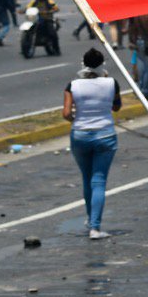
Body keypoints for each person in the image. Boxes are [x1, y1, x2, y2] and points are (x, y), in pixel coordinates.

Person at [62, 48, 122, 239]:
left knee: (87, 179)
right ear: (102, 63)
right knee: (99, 181)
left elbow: (66, 113)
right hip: (105, 134)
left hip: (80, 134)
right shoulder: (111, 82)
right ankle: (95, 227)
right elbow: (116, 106)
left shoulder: (73, 85)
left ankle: (90, 219)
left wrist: (78, 119)